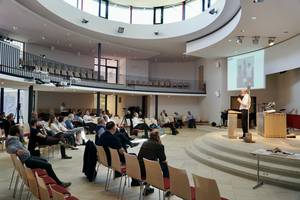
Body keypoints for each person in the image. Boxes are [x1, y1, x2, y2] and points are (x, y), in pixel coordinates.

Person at [6, 125, 71, 187]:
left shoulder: (14, 138)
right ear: (17, 133)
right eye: (21, 130)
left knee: (45, 161)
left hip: (28, 157)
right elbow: (9, 148)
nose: (23, 131)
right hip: (27, 161)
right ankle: (59, 183)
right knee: (48, 165)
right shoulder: (12, 140)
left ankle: (45, 180)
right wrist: (16, 150)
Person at [138, 130, 169, 196]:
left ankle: (147, 188)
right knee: (165, 165)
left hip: (139, 169)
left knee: (151, 164)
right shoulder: (159, 146)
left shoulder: (145, 143)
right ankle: (168, 188)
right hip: (149, 170)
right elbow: (163, 159)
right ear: (158, 137)